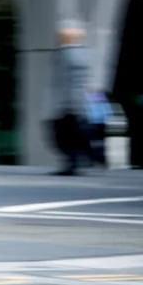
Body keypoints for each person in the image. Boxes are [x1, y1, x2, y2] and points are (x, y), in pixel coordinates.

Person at [49, 22, 92, 176]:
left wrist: (70, 103)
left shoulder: (69, 54)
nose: (58, 38)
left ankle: (74, 162)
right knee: (68, 134)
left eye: (61, 36)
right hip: (71, 103)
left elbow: (72, 82)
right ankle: (74, 161)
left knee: (65, 134)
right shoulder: (79, 53)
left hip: (69, 103)